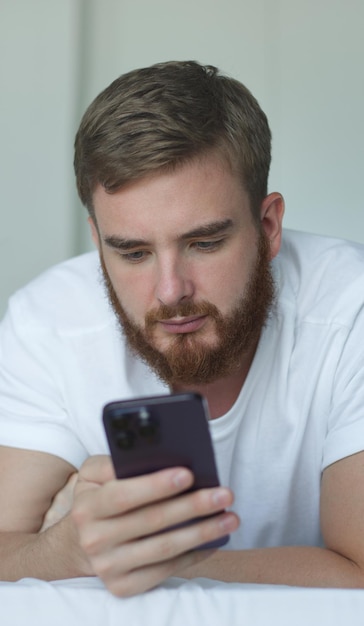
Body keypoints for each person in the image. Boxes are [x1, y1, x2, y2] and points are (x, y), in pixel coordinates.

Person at [1, 60, 364, 598]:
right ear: (97, 239)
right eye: (132, 252)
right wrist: (65, 550)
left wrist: (171, 565)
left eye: (205, 243)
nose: (171, 290)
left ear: (267, 229)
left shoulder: (349, 311)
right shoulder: (48, 322)